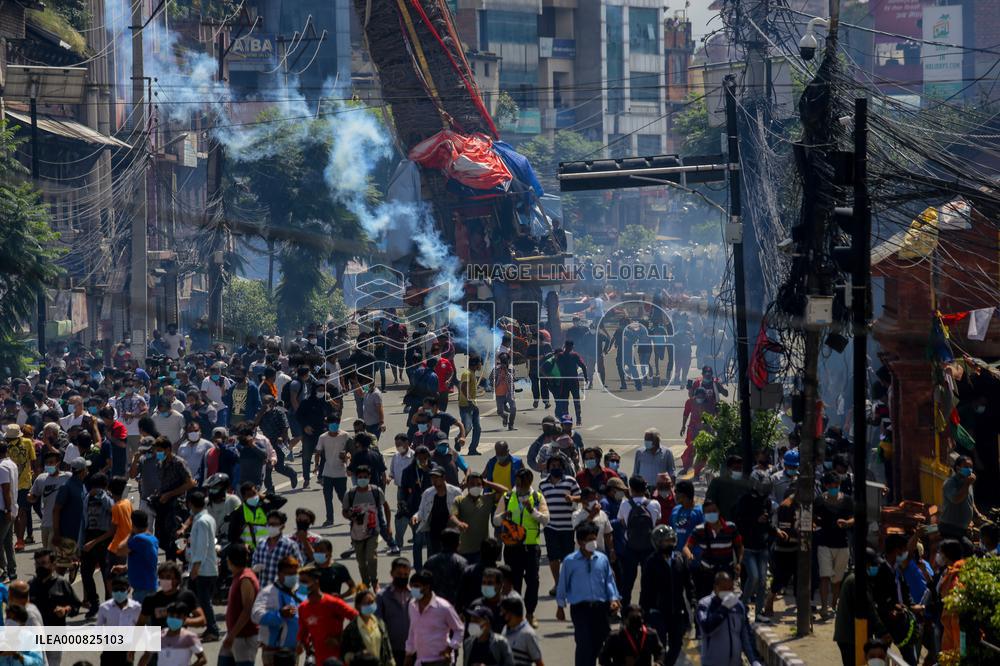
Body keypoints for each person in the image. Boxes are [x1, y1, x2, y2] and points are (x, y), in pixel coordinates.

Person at [555, 521, 621, 666]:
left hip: (600, 608)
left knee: (602, 644)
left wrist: (614, 599)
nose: (593, 542)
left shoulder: (602, 559)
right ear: (580, 541)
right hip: (580, 609)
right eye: (589, 539)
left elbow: (609, 581)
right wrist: (560, 606)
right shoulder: (570, 561)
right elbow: (563, 585)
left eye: (594, 538)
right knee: (584, 645)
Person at [495, 468, 549, 628]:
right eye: (518, 481)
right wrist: (503, 516)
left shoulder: (537, 497)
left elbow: (546, 519)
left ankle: (530, 613)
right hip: (512, 546)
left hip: (531, 547)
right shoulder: (507, 497)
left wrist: (532, 511)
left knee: (533, 581)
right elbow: (496, 521)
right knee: (513, 582)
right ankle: (515, 614)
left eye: (523, 481)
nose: (519, 484)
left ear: (530, 481)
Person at [639, 526, 693, 666]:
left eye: (671, 540)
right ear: (657, 543)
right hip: (657, 612)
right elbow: (645, 590)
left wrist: (693, 601)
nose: (669, 544)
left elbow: (688, 583)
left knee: (677, 645)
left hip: (677, 611)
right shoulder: (651, 562)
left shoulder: (680, 559)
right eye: (665, 541)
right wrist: (643, 613)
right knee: (660, 647)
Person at [833, 549, 890, 666]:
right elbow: (869, 609)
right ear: (866, 564)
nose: (876, 567)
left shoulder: (857, 579)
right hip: (851, 637)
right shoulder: (857, 581)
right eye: (874, 564)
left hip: (850, 635)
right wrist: (882, 631)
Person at [733, 471, 776, 621]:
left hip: (762, 545)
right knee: (754, 577)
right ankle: (742, 605)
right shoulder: (744, 500)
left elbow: (769, 522)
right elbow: (739, 522)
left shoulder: (767, 502)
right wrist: (755, 520)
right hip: (748, 546)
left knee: (763, 581)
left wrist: (776, 530)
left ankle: (758, 613)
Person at [695, 572, 762, 666]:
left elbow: (745, 636)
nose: (727, 592)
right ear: (715, 588)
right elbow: (706, 627)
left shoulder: (738, 606)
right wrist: (724, 608)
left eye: (730, 588)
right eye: (723, 588)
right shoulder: (704, 605)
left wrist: (753, 660)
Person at [296, 565, 359, 664]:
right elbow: (303, 632)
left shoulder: (333, 603)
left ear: (316, 582)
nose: (301, 585)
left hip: (339, 659)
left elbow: (358, 619)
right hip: (320, 660)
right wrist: (300, 644)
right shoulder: (303, 608)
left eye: (304, 582)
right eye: (300, 582)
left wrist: (341, 640)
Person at [343, 466, 392, 590]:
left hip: (372, 530)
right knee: (361, 561)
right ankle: (365, 582)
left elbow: (386, 507)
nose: (362, 479)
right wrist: (351, 516)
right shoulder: (350, 494)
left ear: (369, 478)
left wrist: (388, 526)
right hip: (357, 532)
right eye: (360, 477)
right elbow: (344, 511)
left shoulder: (376, 491)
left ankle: (374, 581)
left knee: (371, 556)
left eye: (365, 477)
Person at [683, 498, 743, 601]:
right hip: (707, 575)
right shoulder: (699, 530)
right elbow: (687, 547)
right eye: (708, 512)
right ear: (704, 514)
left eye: (714, 511)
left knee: (727, 603)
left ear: (719, 511)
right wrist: (689, 555)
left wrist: (739, 563)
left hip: (726, 574)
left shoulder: (730, 528)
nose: (711, 514)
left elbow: (739, 546)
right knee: (705, 603)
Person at [251, 556, 305, 666]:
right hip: (274, 652)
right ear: (280, 574)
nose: (293, 577)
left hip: (293, 651)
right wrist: (279, 614)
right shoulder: (269, 592)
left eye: (295, 573)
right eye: (289, 574)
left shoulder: (300, 592)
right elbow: (256, 615)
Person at [814, 471, 854, 616]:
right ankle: (824, 607)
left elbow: (853, 519)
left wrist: (846, 523)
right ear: (825, 486)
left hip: (842, 545)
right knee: (824, 576)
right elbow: (813, 518)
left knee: (837, 580)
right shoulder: (819, 501)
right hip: (824, 544)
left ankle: (833, 605)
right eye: (831, 485)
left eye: (836, 485)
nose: (834, 488)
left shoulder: (847, 501)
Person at [404, 569, 464, 666]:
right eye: (412, 586)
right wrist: (409, 654)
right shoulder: (412, 605)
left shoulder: (444, 607)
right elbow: (412, 630)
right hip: (421, 661)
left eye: (417, 586)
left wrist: (450, 647)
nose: (413, 590)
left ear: (427, 587)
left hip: (441, 660)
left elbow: (459, 629)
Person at [617, 476, 659, 608]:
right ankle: (645, 609)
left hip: (630, 547)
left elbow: (622, 522)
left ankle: (626, 611)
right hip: (649, 547)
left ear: (631, 489)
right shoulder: (654, 504)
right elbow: (656, 521)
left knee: (628, 582)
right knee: (648, 581)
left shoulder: (625, 504)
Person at [152, 436, 196, 561]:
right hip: (162, 506)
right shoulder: (160, 464)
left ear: (168, 449)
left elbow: (190, 483)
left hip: (176, 506)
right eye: (156, 450)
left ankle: (179, 565)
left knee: (175, 540)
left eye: (160, 450)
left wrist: (170, 494)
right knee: (162, 539)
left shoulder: (179, 463)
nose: (158, 453)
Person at [184, 491, 219, 641]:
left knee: (204, 601)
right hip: (206, 567)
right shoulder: (206, 518)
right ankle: (208, 628)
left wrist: (196, 567)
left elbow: (202, 546)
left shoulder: (201, 521)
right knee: (198, 599)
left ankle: (213, 630)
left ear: (191, 504)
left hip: (204, 569)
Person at [81, 472, 115, 618]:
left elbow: (112, 511)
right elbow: (83, 521)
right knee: (85, 573)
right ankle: (94, 603)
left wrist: (102, 495)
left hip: (104, 539)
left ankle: (109, 605)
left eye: (97, 488)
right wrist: (80, 543)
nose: (94, 491)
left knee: (106, 575)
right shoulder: (87, 498)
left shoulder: (108, 498)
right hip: (89, 536)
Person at [220, 544, 260, 666]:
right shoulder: (238, 576)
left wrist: (232, 635)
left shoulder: (246, 579)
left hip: (244, 637)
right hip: (234, 635)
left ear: (229, 560)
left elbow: (247, 610)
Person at [449, 472, 501, 563]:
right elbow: (452, 515)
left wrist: (487, 483)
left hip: (482, 550)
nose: (475, 486)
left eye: (478, 484)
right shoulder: (459, 500)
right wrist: (459, 523)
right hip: (464, 550)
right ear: (467, 485)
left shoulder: (487, 499)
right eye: (472, 484)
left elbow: (506, 491)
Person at [138, 561, 205, 631]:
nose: (164, 580)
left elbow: (202, 620)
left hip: (180, 639)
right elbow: (140, 623)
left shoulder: (187, 596)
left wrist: (183, 621)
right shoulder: (151, 599)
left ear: (177, 579)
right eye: (162, 577)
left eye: (168, 577)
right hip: (158, 639)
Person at [414, 465, 462, 560]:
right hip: (434, 532)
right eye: (432, 478)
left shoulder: (456, 492)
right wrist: (416, 517)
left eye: (437, 477)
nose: (434, 480)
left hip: (451, 531)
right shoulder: (427, 493)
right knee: (435, 558)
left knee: (452, 558)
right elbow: (421, 510)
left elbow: (462, 510)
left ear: (444, 478)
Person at [139, 601, 208, 666]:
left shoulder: (189, 637)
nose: (174, 619)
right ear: (167, 616)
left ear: (184, 618)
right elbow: (146, 656)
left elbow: (202, 659)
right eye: (171, 615)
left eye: (178, 616)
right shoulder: (158, 636)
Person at [341, 588, 394, 666]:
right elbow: (344, 652)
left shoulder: (380, 623)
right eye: (367, 603)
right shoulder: (351, 629)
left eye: (372, 602)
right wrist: (357, 657)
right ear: (358, 606)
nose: (371, 605)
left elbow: (387, 648)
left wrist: (392, 662)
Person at [96, 577, 143, 666]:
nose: (119, 592)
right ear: (111, 590)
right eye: (116, 589)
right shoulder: (104, 607)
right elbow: (98, 628)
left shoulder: (136, 608)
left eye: (122, 589)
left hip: (127, 649)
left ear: (128, 590)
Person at [28, 448, 68, 549]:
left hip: (60, 524)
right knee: (47, 551)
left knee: (52, 553)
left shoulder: (67, 478)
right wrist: (30, 497)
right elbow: (33, 496)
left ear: (58, 463)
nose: (48, 465)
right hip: (45, 522)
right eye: (47, 463)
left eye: (51, 462)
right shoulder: (41, 479)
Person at [598, 604, 664, 666]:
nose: (635, 622)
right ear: (625, 620)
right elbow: (603, 658)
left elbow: (660, 651)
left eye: (638, 619)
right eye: (633, 619)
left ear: (642, 619)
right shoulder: (616, 636)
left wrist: (658, 662)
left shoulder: (650, 634)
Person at [376, 557, 413, 666]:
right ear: (392, 573)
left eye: (406, 575)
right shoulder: (382, 596)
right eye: (399, 574)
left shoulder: (415, 596)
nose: (402, 577)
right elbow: (377, 623)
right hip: (391, 650)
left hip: (413, 650)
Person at [939, 455, 985, 540]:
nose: (969, 469)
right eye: (966, 467)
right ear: (958, 468)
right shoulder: (950, 483)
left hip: (962, 528)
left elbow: (970, 500)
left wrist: (977, 514)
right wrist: (967, 484)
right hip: (950, 528)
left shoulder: (968, 482)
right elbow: (956, 499)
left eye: (971, 467)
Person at [252, 510, 303, 588]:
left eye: (274, 524)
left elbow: (299, 567)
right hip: (264, 591)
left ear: (282, 527)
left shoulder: (290, 545)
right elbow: (254, 563)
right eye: (269, 524)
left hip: (282, 591)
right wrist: (255, 568)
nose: (271, 527)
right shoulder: (261, 544)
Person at [117, 509, 159, 601]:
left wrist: (131, 532)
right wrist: (126, 568)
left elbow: (119, 550)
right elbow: (144, 561)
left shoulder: (138, 539)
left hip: (142, 590)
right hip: (150, 586)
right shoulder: (152, 538)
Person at [422, 528, 467, 606]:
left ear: (441, 543)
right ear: (457, 544)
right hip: (455, 606)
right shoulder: (461, 562)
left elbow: (423, 584)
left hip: (434, 605)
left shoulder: (430, 561)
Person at [704, 455, 751, 522]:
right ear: (728, 469)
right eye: (735, 468)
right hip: (724, 524)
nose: (738, 471)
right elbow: (710, 501)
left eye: (740, 469)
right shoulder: (718, 482)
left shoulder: (745, 483)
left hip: (742, 524)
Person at [553, 341, 588, 425]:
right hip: (573, 381)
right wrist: (586, 377)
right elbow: (583, 365)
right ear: (572, 346)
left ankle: (567, 419)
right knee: (576, 400)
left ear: (564, 346)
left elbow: (556, 367)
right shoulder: (574, 355)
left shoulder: (560, 356)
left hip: (564, 381)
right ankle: (578, 419)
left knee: (565, 401)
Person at [500, 596, 543, 666]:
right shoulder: (506, 628)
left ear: (513, 614)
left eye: (504, 613)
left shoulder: (527, 634)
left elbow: (539, 662)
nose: (502, 615)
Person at [458, 355, 483, 455]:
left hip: (473, 405)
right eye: (479, 363)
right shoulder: (467, 373)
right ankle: (458, 440)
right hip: (466, 405)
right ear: (475, 364)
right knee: (468, 427)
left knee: (477, 428)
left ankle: (472, 449)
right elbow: (463, 387)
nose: (480, 365)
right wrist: (469, 400)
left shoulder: (472, 373)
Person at [491, 353, 517, 431]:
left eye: (505, 362)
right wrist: (496, 381)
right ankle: (505, 417)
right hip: (499, 392)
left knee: (513, 408)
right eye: (502, 362)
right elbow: (490, 379)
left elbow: (514, 379)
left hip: (509, 392)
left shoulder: (511, 369)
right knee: (500, 411)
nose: (503, 364)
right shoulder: (496, 369)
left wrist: (506, 372)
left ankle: (511, 424)